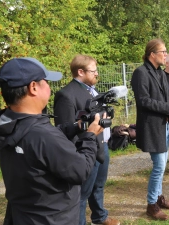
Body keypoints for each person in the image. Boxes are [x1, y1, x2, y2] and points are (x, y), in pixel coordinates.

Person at [0, 57, 104, 225]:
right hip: (53, 218)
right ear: (33, 87)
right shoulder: (42, 136)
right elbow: (80, 170)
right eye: (45, 82)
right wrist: (90, 136)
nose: (49, 87)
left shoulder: (7, 122)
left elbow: (38, 139)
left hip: (23, 215)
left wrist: (75, 127)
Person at [54, 55, 119, 225]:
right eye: (93, 71)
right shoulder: (66, 95)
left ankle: (99, 217)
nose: (97, 74)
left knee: (98, 186)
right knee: (82, 194)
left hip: (101, 146)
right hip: (84, 151)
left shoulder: (93, 90)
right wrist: (79, 155)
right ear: (80, 72)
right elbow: (66, 129)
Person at [131, 39, 169, 221]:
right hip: (152, 126)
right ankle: (151, 205)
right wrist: (168, 107)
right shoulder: (140, 73)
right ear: (152, 54)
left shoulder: (159, 72)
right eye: (163, 51)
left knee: (161, 167)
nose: (166, 54)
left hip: (164, 125)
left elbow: (166, 96)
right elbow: (144, 101)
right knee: (160, 166)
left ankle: (159, 199)